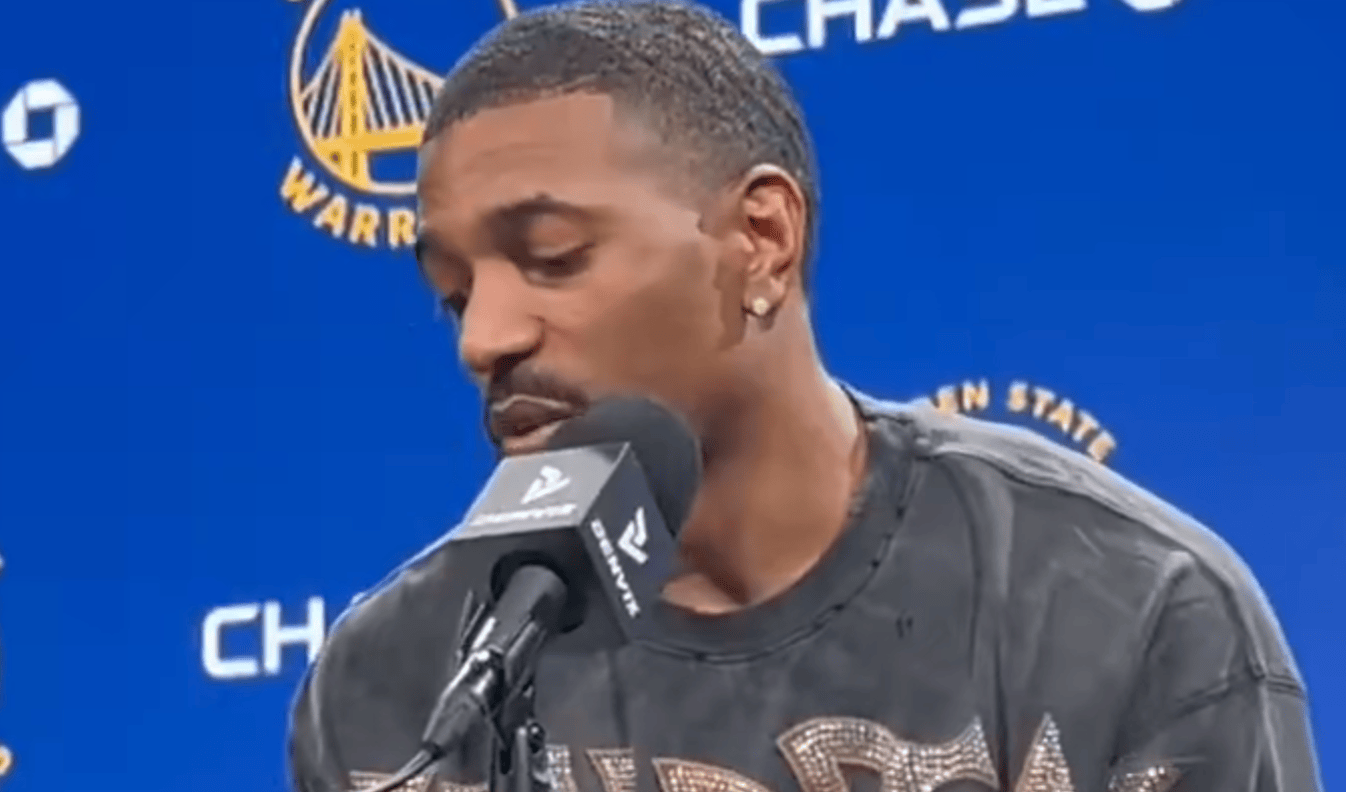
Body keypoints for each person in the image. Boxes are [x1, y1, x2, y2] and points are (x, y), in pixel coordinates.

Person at [286, 2, 1323, 791]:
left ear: (760, 240)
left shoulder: (1121, 609)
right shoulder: (396, 689)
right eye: (452, 295)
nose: (484, 338)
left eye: (552, 257)